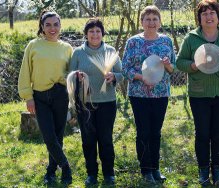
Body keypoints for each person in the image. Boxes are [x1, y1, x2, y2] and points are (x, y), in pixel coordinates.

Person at [176, 0, 219, 186]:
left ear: (218, 16)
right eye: (204, 13)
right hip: (199, 94)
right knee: (203, 133)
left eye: (212, 12)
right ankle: (203, 170)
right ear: (199, 18)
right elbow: (179, 62)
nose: (209, 16)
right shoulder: (191, 38)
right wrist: (192, 65)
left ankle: (218, 170)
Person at [18, 11, 73, 185]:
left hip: (60, 95)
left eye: (56, 24)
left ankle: (50, 171)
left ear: (60, 26)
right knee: (48, 136)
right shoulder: (33, 46)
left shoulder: (67, 48)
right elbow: (25, 72)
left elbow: (71, 73)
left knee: (57, 136)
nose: (52, 28)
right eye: (48, 24)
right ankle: (65, 166)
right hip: (40, 97)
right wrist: (28, 97)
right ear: (42, 26)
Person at [122, 5, 175, 184]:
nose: (151, 22)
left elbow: (172, 68)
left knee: (156, 132)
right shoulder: (133, 42)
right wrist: (141, 77)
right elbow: (125, 68)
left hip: (160, 94)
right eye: (148, 19)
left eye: (154, 19)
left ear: (159, 22)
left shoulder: (166, 41)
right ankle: (145, 170)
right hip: (139, 94)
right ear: (141, 22)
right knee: (143, 132)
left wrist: (167, 64)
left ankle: (155, 168)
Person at [68, 18, 123, 186]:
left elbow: (122, 74)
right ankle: (91, 173)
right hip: (85, 103)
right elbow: (70, 76)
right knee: (88, 139)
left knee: (105, 138)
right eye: (91, 31)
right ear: (86, 34)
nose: (95, 34)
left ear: (102, 33)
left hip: (107, 102)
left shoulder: (110, 51)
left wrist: (114, 76)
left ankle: (109, 173)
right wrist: (77, 78)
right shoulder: (78, 53)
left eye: (98, 31)